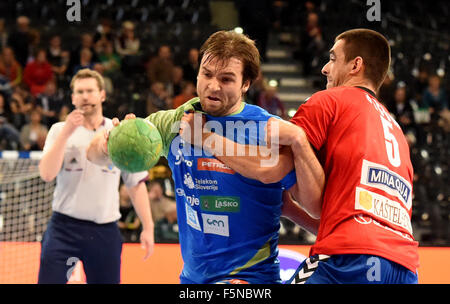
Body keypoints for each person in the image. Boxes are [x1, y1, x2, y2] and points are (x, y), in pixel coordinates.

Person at [87, 30, 323, 284]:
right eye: (207, 74)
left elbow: (313, 208)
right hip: (192, 279)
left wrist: (205, 138)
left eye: (226, 79)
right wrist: (108, 143)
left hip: (249, 278)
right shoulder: (176, 121)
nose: (212, 86)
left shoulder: (269, 129)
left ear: (246, 84)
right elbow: (95, 157)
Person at [282, 29, 419, 283]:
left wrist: (213, 141)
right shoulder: (397, 131)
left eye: (333, 58)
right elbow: (352, 221)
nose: (325, 68)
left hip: (349, 261)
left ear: (356, 65)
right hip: (404, 269)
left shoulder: (329, 101)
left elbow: (280, 172)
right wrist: (291, 211)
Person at [38, 68, 154, 284]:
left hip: (105, 229)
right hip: (64, 228)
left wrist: (148, 227)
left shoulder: (119, 130)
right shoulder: (59, 129)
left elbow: (135, 183)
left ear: (102, 94)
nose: (85, 96)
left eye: (90, 90)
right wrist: (66, 133)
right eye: (79, 91)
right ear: (72, 98)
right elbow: (46, 174)